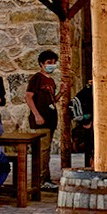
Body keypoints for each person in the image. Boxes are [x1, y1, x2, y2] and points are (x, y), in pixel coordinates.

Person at [26, 51, 59, 185]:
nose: (52, 65)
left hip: (50, 119)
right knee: (42, 151)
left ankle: (46, 177)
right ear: (41, 63)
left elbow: (53, 100)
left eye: (53, 63)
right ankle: (40, 180)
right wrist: (36, 114)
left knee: (47, 151)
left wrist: (61, 93)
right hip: (41, 120)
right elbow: (29, 97)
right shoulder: (37, 78)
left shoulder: (50, 80)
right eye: (48, 63)